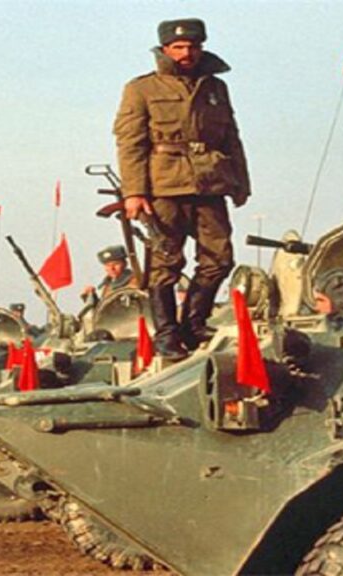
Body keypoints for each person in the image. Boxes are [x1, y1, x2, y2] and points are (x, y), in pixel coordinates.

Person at [114, 18, 251, 360]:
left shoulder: (215, 87)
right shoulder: (142, 89)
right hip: (164, 186)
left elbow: (231, 138)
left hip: (211, 183)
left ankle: (193, 323)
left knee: (219, 258)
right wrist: (134, 192)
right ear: (164, 49)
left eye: (193, 46)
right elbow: (130, 143)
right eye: (178, 47)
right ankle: (167, 334)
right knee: (165, 262)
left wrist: (240, 181)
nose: (186, 53)